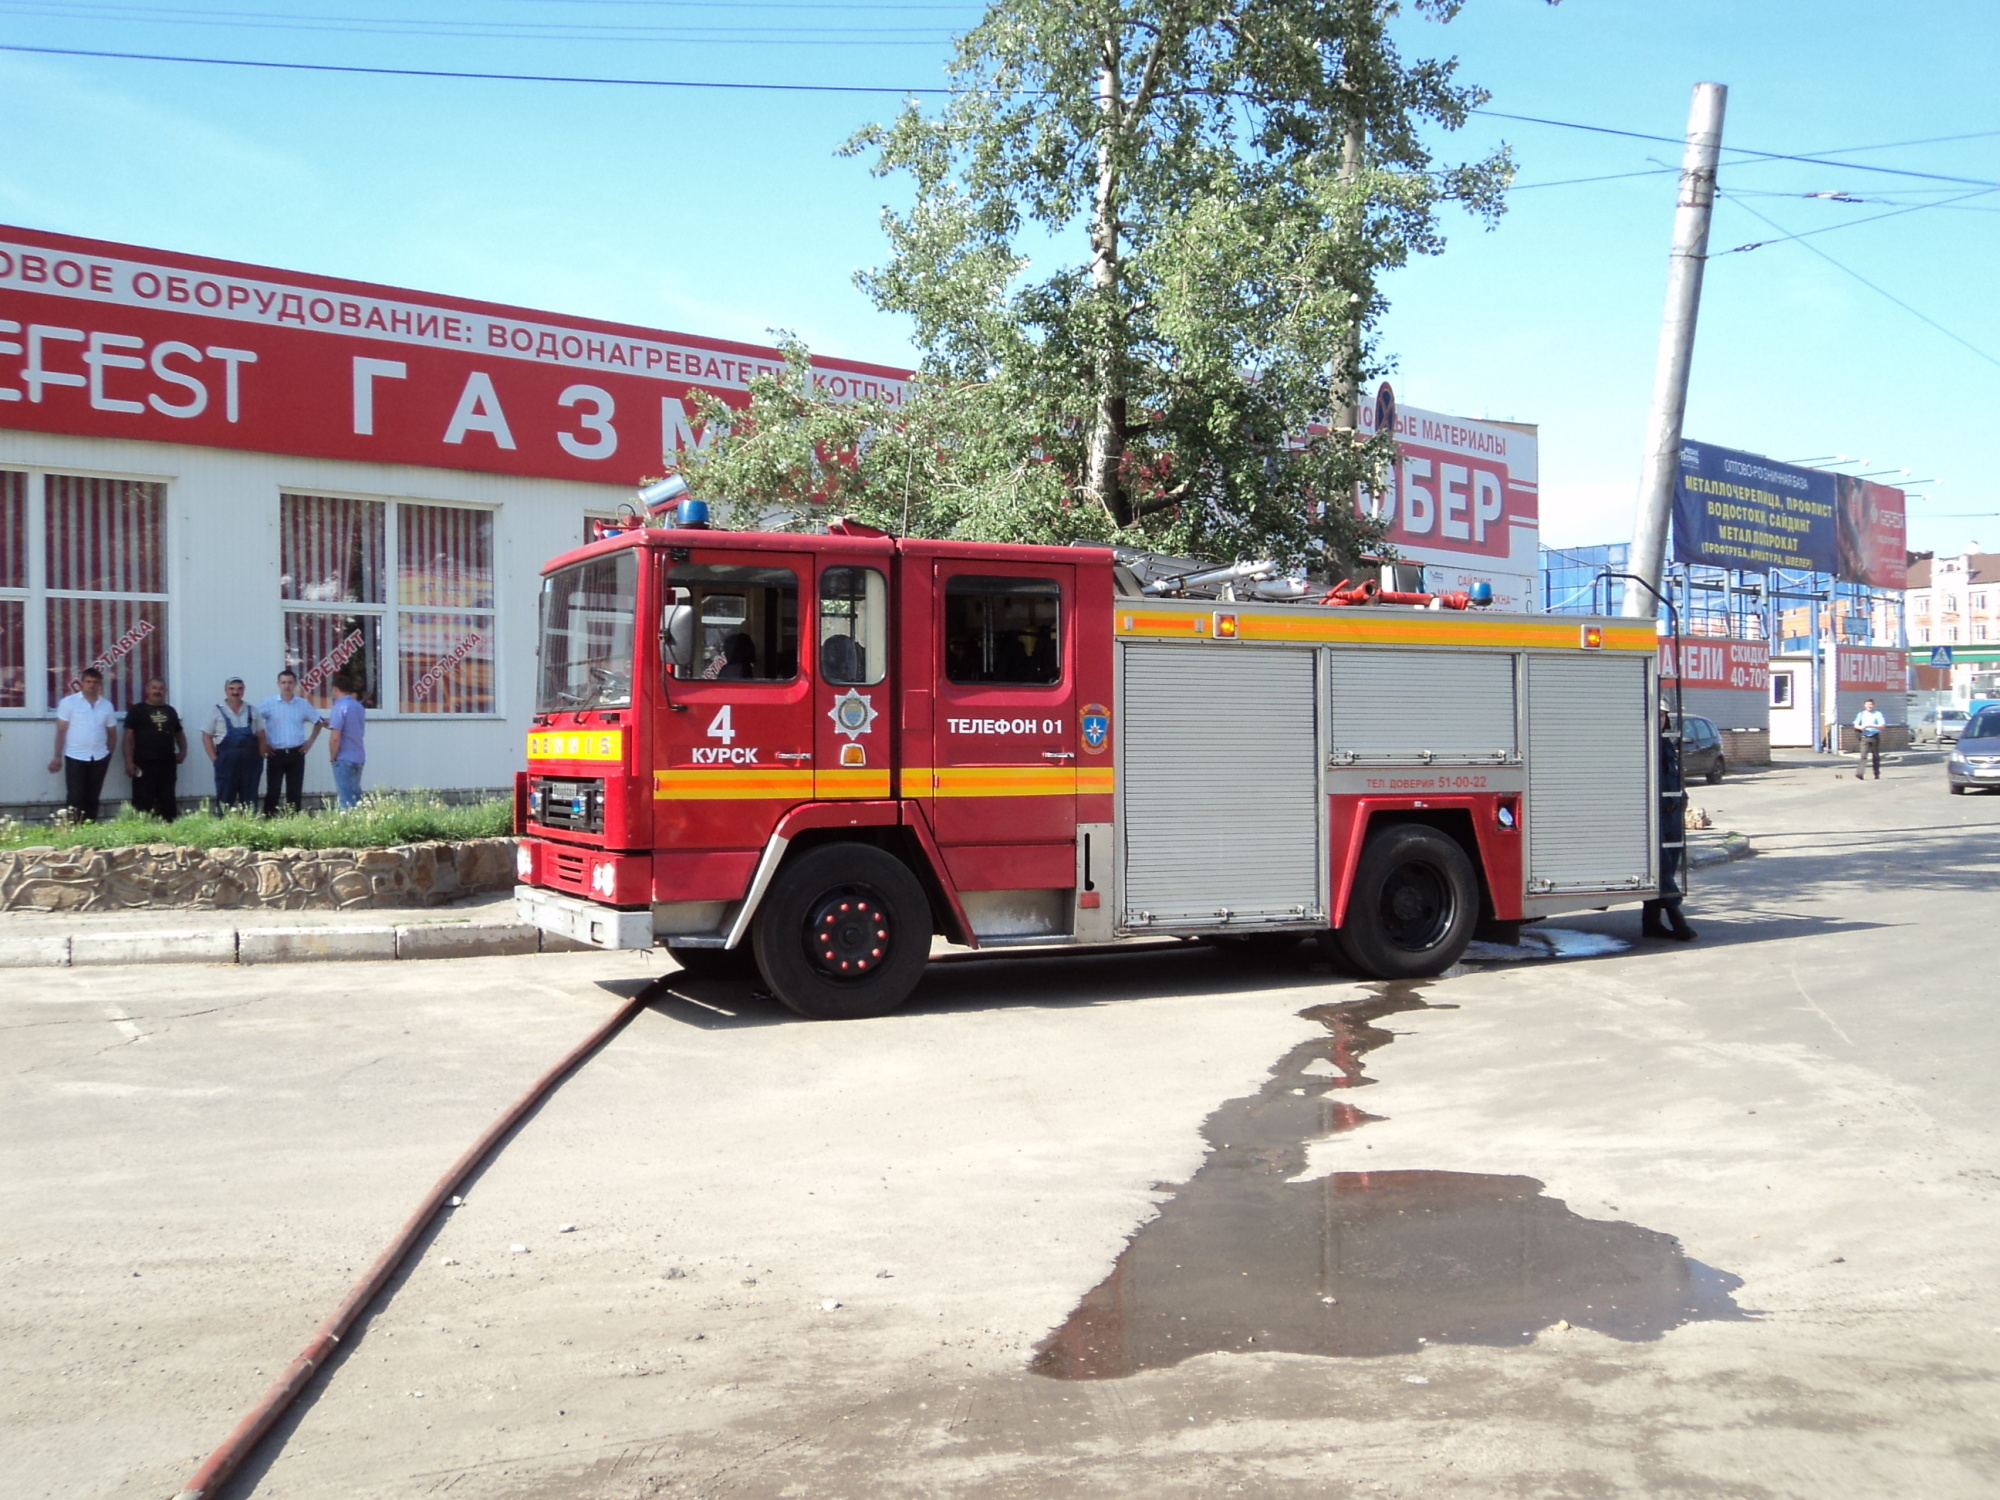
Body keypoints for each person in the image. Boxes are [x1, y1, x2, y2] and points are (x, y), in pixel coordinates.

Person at [1642, 709, 1697, 942]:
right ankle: (1677, 920)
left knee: (1669, 865)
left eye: (1664, 716)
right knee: (1661, 868)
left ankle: (1651, 923)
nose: (1661, 720)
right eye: (1658, 715)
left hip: (1672, 813)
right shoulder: (1645, 744)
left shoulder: (1666, 743)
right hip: (1657, 814)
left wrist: (1681, 801)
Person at [48, 667, 120, 822]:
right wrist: (57, 757)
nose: (91, 685)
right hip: (75, 755)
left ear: (100, 684)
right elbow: (61, 731)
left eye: (95, 682)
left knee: (93, 796)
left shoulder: (106, 706)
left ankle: (89, 828)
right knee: (75, 796)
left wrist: (108, 755)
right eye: (88, 681)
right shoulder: (69, 703)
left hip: (99, 757)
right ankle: (73, 829)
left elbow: (112, 734)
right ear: (81, 683)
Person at [257, 670, 323, 815]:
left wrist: (309, 742)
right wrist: (263, 743)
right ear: (278, 684)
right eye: (284, 682)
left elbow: (319, 722)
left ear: (295, 684)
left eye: (290, 682)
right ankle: (269, 821)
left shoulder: (302, 704)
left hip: (296, 753)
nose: (287, 686)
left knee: (294, 791)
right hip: (275, 753)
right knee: (273, 790)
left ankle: (293, 823)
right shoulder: (268, 704)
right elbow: (254, 722)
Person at [123, 678, 187, 822]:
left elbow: (179, 734)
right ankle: (141, 831)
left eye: (160, 688)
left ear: (165, 691)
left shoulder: (170, 711)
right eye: (154, 687)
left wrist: (183, 752)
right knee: (142, 800)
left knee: (167, 799)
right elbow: (127, 739)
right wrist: (128, 762)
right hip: (143, 763)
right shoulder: (137, 710)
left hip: (167, 763)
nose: (157, 691)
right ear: (147, 690)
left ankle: (170, 831)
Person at [203, 678, 261, 812]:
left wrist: (260, 757)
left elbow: (261, 735)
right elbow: (206, 736)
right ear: (225, 690)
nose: (236, 692)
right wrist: (215, 760)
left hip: (250, 764)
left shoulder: (252, 710)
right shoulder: (216, 711)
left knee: (250, 802)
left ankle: (250, 828)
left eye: (239, 689)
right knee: (224, 801)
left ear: (244, 690)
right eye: (232, 689)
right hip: (226, 763)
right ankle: (223, 828)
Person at [326, 674, 367, 810]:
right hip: (358, 755)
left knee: (345, 800)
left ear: (336, 689)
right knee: (356, 797)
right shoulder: (358, 707)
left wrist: (333, 756)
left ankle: (348, 826)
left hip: (343, 757)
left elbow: (335, 737)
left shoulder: (339, 707)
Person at [1853, 698, 1887, 780]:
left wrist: (1872, 725)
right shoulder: (1861, 714)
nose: (1869, 706)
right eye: (1868, 705)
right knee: (1863, 756)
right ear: (1864, 705)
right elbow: (1855, 725)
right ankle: (1860, 773)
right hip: (1864, 737)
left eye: (1871, 705)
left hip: (1875, 736)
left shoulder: (1878, 714)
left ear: (1873, 705)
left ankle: (1876, 773)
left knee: (1875, 756)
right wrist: (1861, 727)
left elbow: (1882, 726)